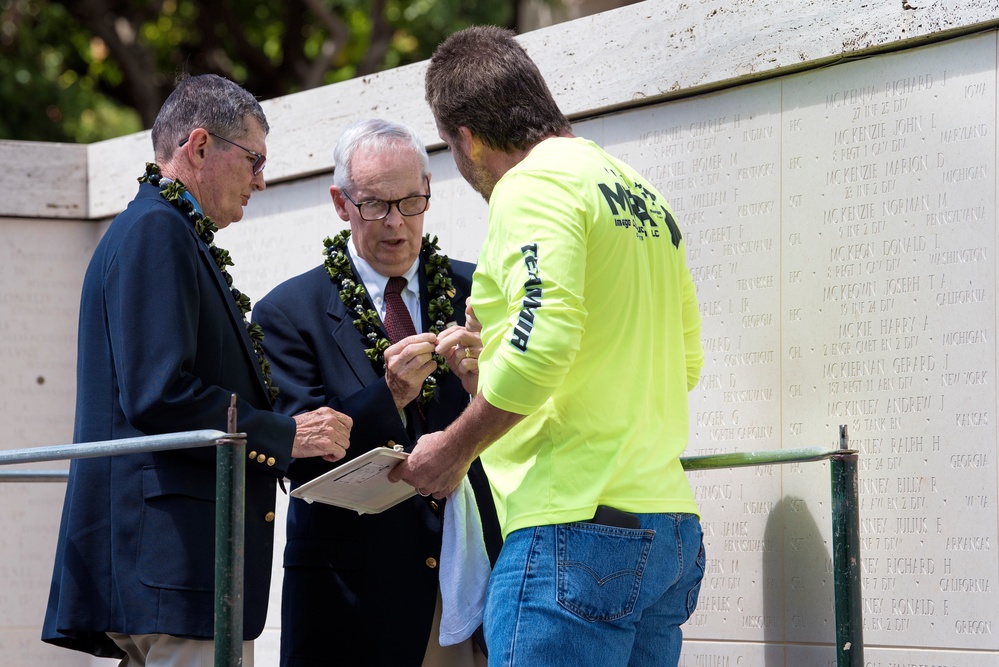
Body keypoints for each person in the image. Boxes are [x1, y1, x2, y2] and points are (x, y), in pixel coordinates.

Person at [390, 26, 707, 667]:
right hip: (668, 529)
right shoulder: (641, 193)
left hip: (573, 529)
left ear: (467, 138)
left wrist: (453, 448)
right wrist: (494, 360)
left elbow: (542, 350)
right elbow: (685, 362)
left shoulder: (531, 187)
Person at [41, 73, 352, 667]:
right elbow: (160, 395)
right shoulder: (158, 230)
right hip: (177, 572)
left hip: (165, 571)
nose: (262, 180)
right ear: (201, 146)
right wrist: (288, 434)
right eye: (254, 160)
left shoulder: (159, 229)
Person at [251, 118, 502, 667]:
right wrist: (386, 397)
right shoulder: (287, 313)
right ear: (341, 203)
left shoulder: (477, 290)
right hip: (353, 600)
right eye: (376, 205)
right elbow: (298, 461)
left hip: (471, 580)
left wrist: (487, 380)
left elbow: (523, 420)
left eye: (412, 202)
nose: (396, 224)